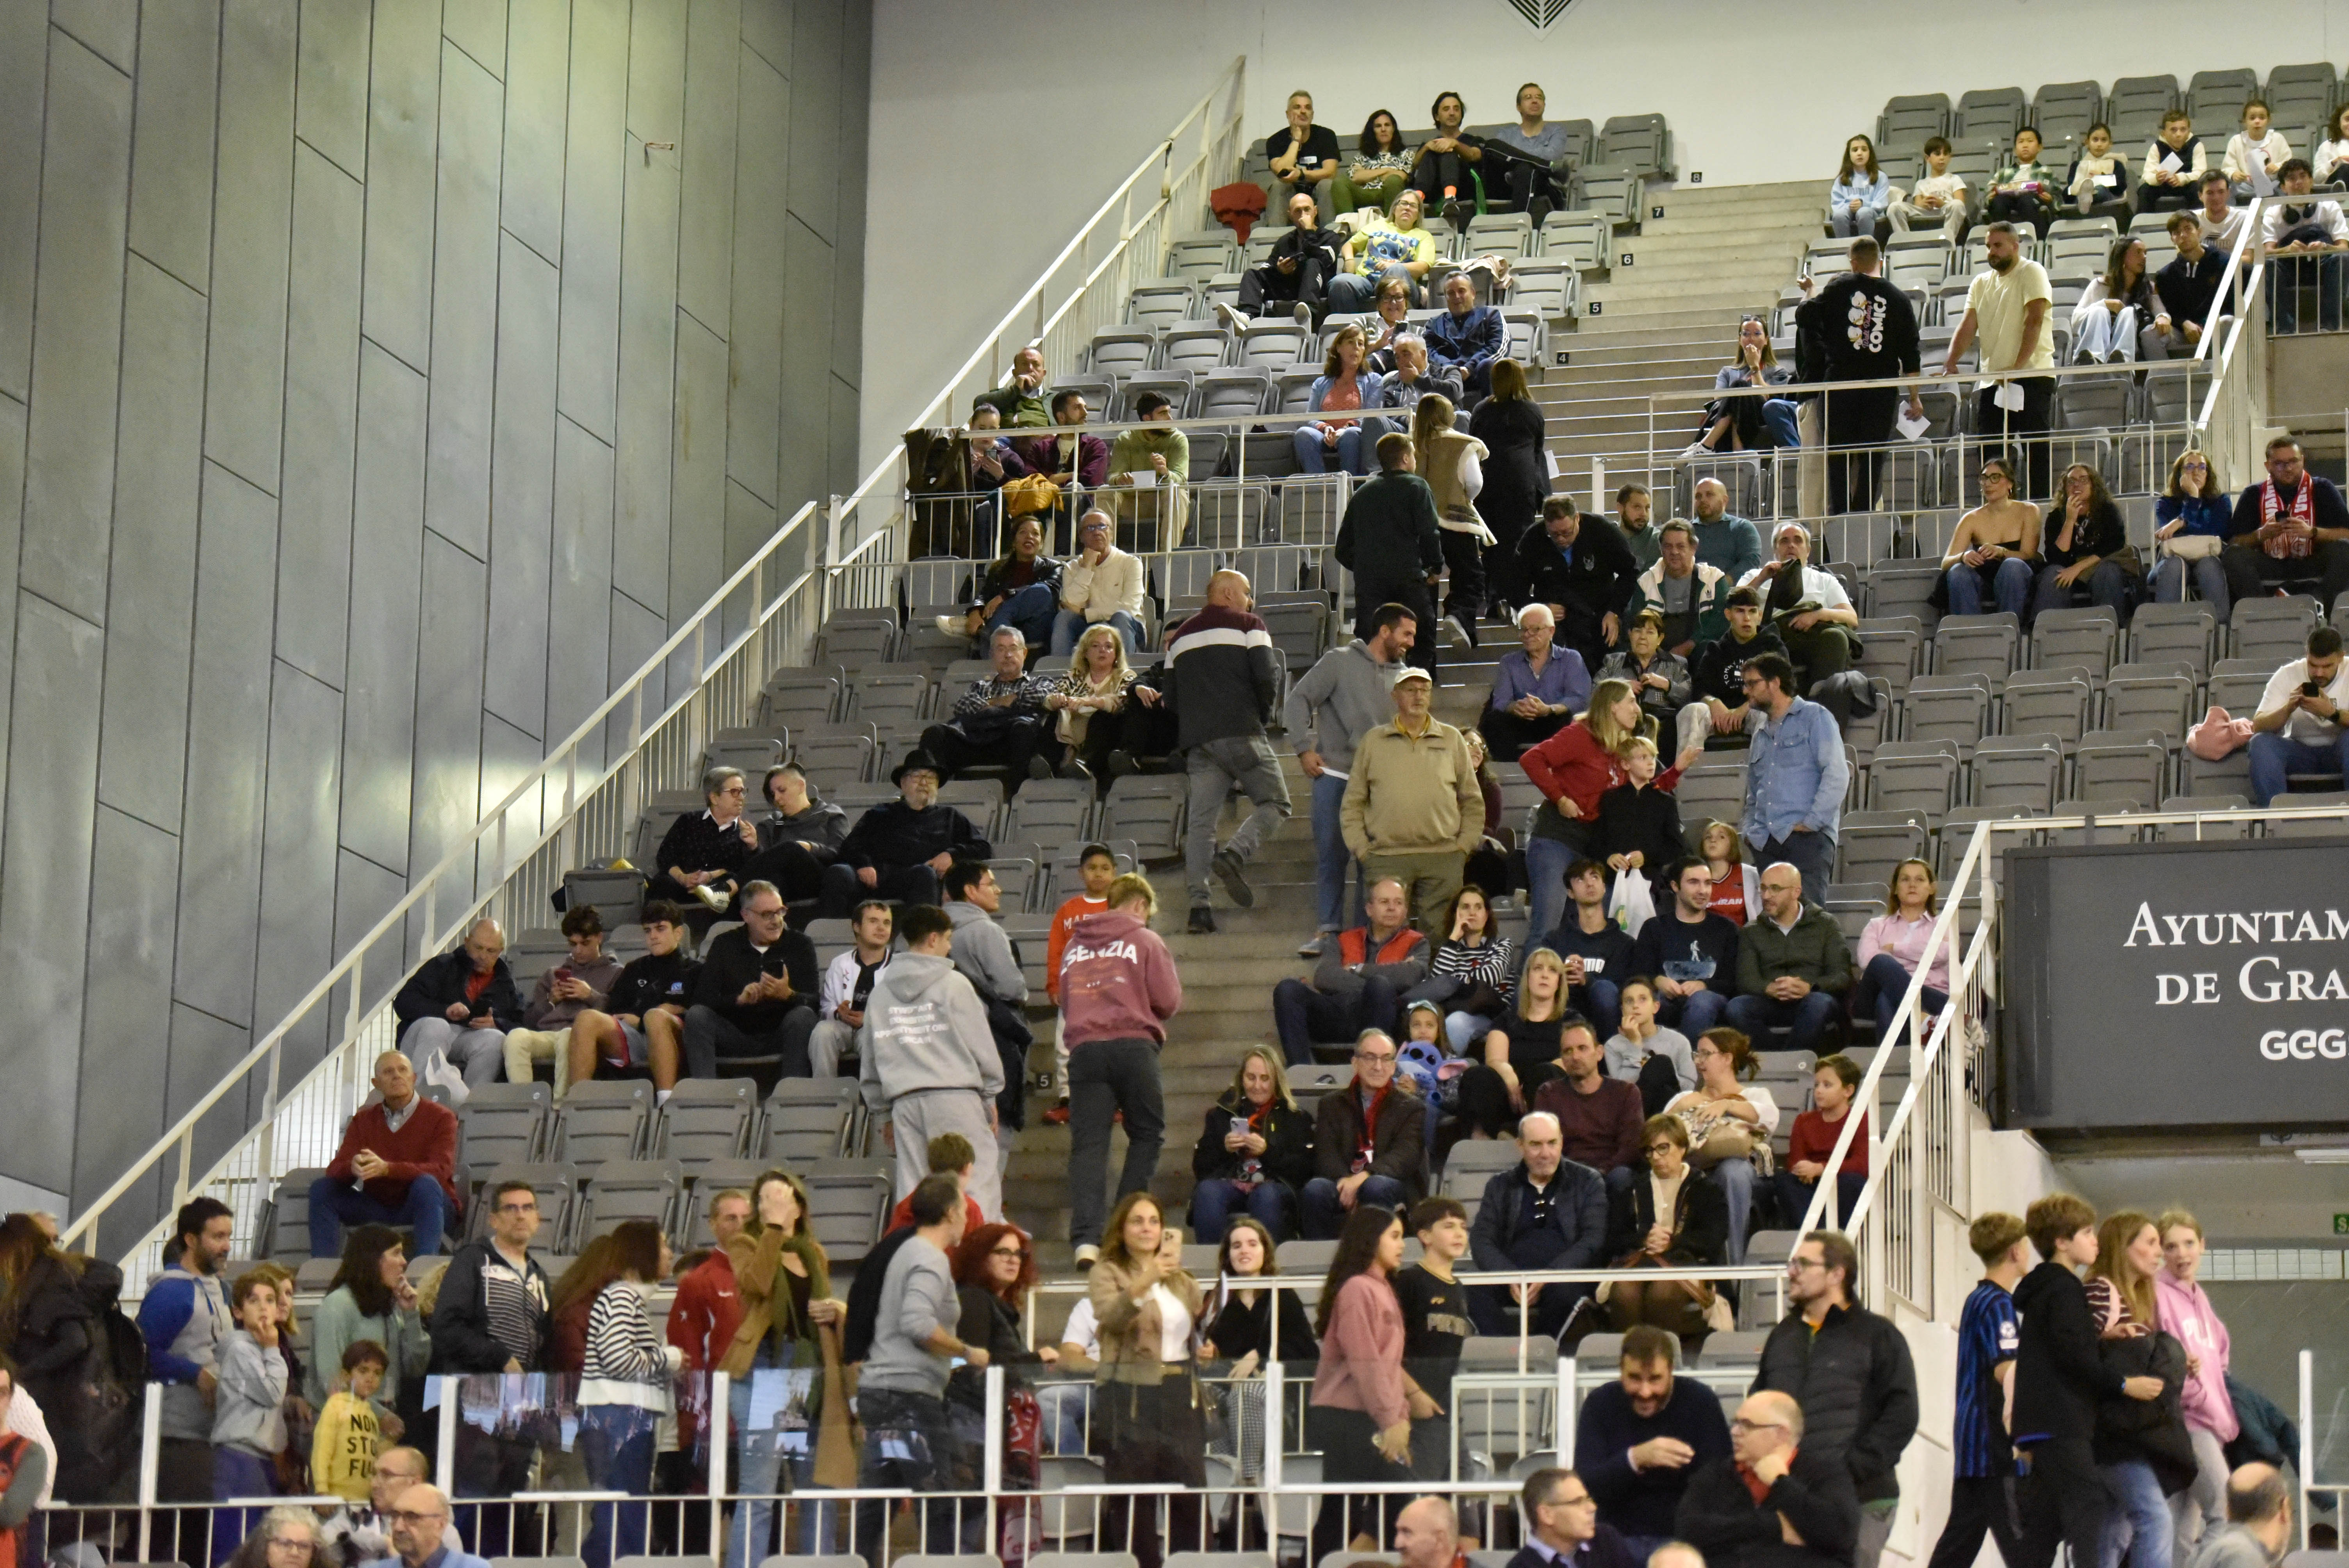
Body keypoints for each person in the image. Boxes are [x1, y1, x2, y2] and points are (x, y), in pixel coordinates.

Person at [2012, 1194, 2165, 1568]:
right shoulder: (2065, 1289)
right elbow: (2073, 1357)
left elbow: (2066, 1346)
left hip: (2042, 1420)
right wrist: (2125, 1385)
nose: (2095, 1240)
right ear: (2062, 1242)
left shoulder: (2048, 1289)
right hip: (2061, 1419)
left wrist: (2101, 1339)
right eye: (2085, 1232)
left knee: (2047, 1522)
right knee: (2089, 1503)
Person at [1752, 1230, 1917, 1568]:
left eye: (1803, 1264)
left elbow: (1902, 1413)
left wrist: (1850, 1470)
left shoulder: (1878, 1335)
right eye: (1792, 1264)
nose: (1792, 1272)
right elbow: (1760, 1404)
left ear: (1837, 1274)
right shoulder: (1782, 1336)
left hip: (1861, 1499)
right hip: (1791, 1497)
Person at [722, 1169, 846, 1566]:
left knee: (817, 1487)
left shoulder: (814, 1252)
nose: (770, 1204)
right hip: (768, 1368)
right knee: (759, 1490)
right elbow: (756, 1284)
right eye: (763, 1198)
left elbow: (823, 1312)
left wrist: (839, 1309)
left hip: (811, 1369)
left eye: (780, 1197)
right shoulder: (747, 1242)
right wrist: (773, 1227)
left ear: (799, 1204)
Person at [1061, 872, 1183, 1264]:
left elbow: (1064, 1000)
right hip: (1134, 1046)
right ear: (1140, 905)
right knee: (1147, 1133)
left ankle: (1085, 1239)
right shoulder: (1146, 939)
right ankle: (1121, 1228)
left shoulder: (1072, 947)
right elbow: (1168, 1000)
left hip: (1085, 1051)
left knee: (1089, 1146)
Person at [854, 1174, 975, 1566]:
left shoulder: (903, 1250)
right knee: (938, 1499)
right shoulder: (930, 1256)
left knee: (877, 1503)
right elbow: (918, 1323)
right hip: (911, 1395)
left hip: (879, 1391)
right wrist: (966, 1351)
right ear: (952, 1212)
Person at [859, 902, 1003, 1221]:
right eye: (949, 939)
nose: (951, 948)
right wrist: (990, 1094)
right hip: (955, 1097)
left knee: (916, 1194)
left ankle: (920, 1261)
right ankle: (978, 1261)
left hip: (905, 1104)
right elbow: (981, 1046)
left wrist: (883, 1113)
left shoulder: (880, 994)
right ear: (934, 939)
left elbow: (869, 1063)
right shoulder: (955, 985)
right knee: (974, 1185)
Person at [1165, 570, 1291, 933]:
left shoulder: (1180, 637)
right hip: (1241, 732)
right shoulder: (1251, 624)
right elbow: (1268, 677)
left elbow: (1171, 699)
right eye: (1247, 593)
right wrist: (1261, 718)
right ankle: (1235, 855)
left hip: (1199, 744)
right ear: (1228, 592)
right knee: (1277, 803)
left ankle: (1199, 910)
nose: (1250, 601)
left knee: (1201, 826)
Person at [1087, 1192, 1207, 1568]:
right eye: (1137, 1221)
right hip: (1130, 1394)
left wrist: (1208, 1346)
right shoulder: (1107, 1271)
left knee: (1190, 1493)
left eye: (1154, 1221)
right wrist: (1147, 1279)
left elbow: (1195, 1328)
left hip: (1178, 1390)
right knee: (1134, 1499)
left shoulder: (1182, 1281)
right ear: (1121, 1229)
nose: (1147, 1228)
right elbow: (1112, 1318)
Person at [1289, 604, 1417, 955]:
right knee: (1332, 855)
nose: (1410, 642)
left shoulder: (1407, 679)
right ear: (1385, 631)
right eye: (1406, 634)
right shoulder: (1339, 661)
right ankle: (1328, 932)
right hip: (1335, 774)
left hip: (1380, 786)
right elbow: (1298, 698)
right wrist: (1303, 748)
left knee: (1371, 863)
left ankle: (1365, 939)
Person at [428, 1178, 550, 1544]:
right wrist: (501, 1358)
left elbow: (544, 1346)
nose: (520, 1216)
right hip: (474, 1404)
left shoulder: (539, 1277)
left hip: (518, 1411)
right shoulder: (472, 1260)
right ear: (494, 1220)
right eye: (511, 1208)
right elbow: (446, 1327)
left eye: (528, 1208)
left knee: (505, 1504)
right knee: (472, 1497)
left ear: (539, 1219)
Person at [1307, 1205, 1415, 1561]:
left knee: (1360, 1509)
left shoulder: (1381, 1288)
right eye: (1395, 1237)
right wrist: (1391, 1419)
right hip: (1348, 1417)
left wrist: (1399, 1415)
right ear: (1372, 1240)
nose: (1402, 1245)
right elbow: (1365, 1362)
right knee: (1347, 1510)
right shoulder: (1357, 1289)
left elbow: (1388, 1365)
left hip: (1371, 1414)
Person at [570, 1222, 680, 1568]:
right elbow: (618, 1359)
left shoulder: (622, 1297)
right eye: (663, 1246)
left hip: (619, 1416)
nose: (670, 1253)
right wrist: (669, 1358)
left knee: (621, 1511)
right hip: (618, 1417)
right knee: (622, 1512)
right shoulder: (622, 1296)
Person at [1925, 1212, 2030, 1568]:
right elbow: (2006, 1370)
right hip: (1991, 1442)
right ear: (2016, 1251)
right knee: (2022, 1544)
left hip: (1972, 1440)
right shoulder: (1999, 1305)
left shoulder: (1977, 1299)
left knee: (1959, 1543)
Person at [1343, 666, 1483, 932]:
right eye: (1410, 690)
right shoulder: (1373, 741)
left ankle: (1438, 976)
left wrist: (1463, 847)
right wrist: (1362, 850)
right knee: (1386, 936)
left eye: (1424, 690)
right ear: (1396, 695)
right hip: (1387, 856)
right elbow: (1353, 802)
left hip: (1444, 856)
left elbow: (1472, 800)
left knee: (1443, 936)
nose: (1418, 696)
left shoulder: (1453, 739)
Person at [1577, 1326, 1736, 1559]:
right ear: (1621, 1371)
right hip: (1615, 1540)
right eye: (1634, 1378)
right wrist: (1635, 1459)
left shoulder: (1701, 1402)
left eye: (1655, 1379)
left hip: (1682, 1541)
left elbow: (1722, 1483)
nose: (1645, 1392)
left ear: (1671, 1371)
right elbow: (1586, 1484)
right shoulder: (1600, 1404)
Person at [1794, 237, 1922, 517]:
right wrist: (1915, 397)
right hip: (1881, 391)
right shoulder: (1899, 299)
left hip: (1840, 386)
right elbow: (1911, 355)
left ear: (1852, 263)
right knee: (1872, 459)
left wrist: (1812, 296)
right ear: (1881, 261)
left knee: (1838, 458)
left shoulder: (1841, 288)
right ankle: (1865, 518)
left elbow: (1805, 316)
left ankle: (1840, 517)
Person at [1520, 681, 1656, 941]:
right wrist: (1559, 799)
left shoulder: (1622, 746)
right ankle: (1526, 982)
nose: (1637, 710)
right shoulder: (1579, 735)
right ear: (1612, 707)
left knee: (1592, 931)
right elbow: (1532, 759)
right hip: (1557, 839)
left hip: (1594, 846)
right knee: (1547, 929)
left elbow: (1650, 785)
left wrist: (1679, 769)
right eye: (1631, 701)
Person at [1675, 1390, 1859, 1568]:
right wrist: (1775, 1527)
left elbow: (1841, 1535)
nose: (1735, 1432)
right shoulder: (1716, 1474)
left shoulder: (1826, 1473)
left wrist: (1781, 1483)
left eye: (1747, 1425)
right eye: (1735, 1423)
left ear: (1781, 1434)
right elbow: (1688, 1531)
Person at [1465, 1108, 1607, 1337]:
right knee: (1466, 1292)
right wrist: (1509, 1276)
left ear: (1562, 1142)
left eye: (1552, 1143)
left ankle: (1542, 1354)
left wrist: (1550, 1275)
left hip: (1565, 1277)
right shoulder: (1500, 1186)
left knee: (1565, 1293)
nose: (1546, 1153)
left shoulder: (1588, 1181)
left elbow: (1593, 1240)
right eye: (1536, 1145)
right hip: (1511, 1279)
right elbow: (1481, 1240)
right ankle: (1508, 1351)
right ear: (1520, 1146)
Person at [1942, 222, 2056, 497]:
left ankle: (2039, 512)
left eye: (1998, 245)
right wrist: (1951, 361)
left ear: (2015, 246)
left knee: (2036, 452)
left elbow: (2035, 319)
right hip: (1992, 381)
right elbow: (1968, 325)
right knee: (1992, 456)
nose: (1992, 251)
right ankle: (1999, 517)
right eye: (1989, 246)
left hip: (2032, 377)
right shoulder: (1980, 283)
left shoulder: (2032, 271)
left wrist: (2017, 368)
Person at [311, 1052, 459, 1258]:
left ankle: (424, 1269)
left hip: (428, 1205)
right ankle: (322, 1271)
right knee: (322, 1189)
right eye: (388, 1072)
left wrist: (388, 1169)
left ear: (414, 1078)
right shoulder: (363, 1121)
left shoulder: (441, 1117)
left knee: (426, 1184)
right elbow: (335, 1169)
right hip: (378, 1208)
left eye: (403, 1070)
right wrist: (352, 1167)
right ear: (376, 1083)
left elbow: (441, 1171)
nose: (397, 1076)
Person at [1274, 877, 1428, 1067]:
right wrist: (1389, 975)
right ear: (1369, 909)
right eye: (1384, 902)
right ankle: (1300, 1070)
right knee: (1288, 988)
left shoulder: (1417, 942)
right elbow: (1325, 977)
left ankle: (1374, 1066)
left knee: (1379, 987)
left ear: (1405, 911)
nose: (1392, 908)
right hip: (1335, 1013)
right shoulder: (1343, 939)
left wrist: (1357, 969)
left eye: (1398, 903)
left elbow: (1410, 976)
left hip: (1381, 1017)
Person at [2157, 1211, 2237, 1563]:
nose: (2181, 1253)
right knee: (2226, 1513)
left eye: (2189, 1243)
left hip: (2207, 1424)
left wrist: (2216, 1400)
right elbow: (2163, 1362)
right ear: (2161, 1252)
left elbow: (2220, 1356)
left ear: (2203, 1246)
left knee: (2180, 1530)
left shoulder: (2199, 1298)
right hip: (2188, 1423)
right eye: (2171, 1246)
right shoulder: (2159, 1295)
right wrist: (2202, 1399)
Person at [1602, 1116, 1730, 1336]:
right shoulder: (1632, 1188)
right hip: (1639, 1260)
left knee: (1662, 1295)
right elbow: (1614, 1237)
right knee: (1624, 1294)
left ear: (1682, 1147)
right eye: (1650, 1151)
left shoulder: (1707, 1189)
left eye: (1663, 1148)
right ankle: (1631, 1360)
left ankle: (1664, 1361)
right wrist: (1645, 1240)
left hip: (1685, 1262)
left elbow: (1713, 1238)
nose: (1657, 1157)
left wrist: (1673, 1242)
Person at [822, 750, 989, 916]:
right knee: (839, 873)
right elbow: (850, 845)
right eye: (917, 777)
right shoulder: (880, 813)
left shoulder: (950, 817)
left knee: (924, 875)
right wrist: (863, 864)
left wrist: (951, 854)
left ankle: (920, 938)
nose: (924, 783)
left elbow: (982, 847)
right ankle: (831, 939)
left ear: (937, 785)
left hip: (916, 879)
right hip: (874, 878)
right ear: (903, 783)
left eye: (930, 778)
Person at [1662, 1030, 1779, 1263]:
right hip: (1694, 1173)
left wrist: (1726, 1104)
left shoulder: (1754, 1095)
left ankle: (1732, 1267)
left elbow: (1770, 1119)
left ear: (1728, 1058)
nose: (1699, 1061)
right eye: (1698, 1054)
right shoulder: (1686, 1097)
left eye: (1707, 1054)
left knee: (1733, 1170)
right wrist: (1683, 1106)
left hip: (1744, 1177)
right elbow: (1658, 1137)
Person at [681, 880, 817, 1082]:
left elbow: (816, 1002)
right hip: (735, 1034)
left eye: (780, 912)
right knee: (697, 1016)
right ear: (746, 916)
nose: (776, 920)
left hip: (782, 1035)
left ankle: (793, 1093)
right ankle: (706, 1095)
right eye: (767, 914)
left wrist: (788, 995)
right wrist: (739, 1000)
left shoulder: (800, 945)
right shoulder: (725, 944)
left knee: (803, 1016)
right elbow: (702, 1000)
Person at [1737, 658, 1848, 905]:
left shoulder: (1815, 716)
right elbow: (1754, 793)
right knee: (1774, 928)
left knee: (1807, 921)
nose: (1746, 691)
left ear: (1775, 683)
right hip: (1766, 842)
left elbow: (1837, 774)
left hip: (1807, 841)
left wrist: (1813, 822)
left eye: (1752, 684)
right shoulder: (1760, 731)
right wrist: (1751, 831)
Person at [1302, 1027, 1426, 1241]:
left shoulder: (1411, 1107)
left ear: (1393, 1067)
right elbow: (1325, 1153)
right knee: (1316, 1189)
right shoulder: (1331, 1104)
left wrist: (1362, 1178)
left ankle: (1376, 1259)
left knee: (1375, 1186)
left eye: (1386, 1059)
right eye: (1370, 1058)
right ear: (1355, 1063)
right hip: (1342, 1179)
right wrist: (1345, 1182)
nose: (1378, 1066)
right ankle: (1324, 1263)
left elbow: (1406, 1156)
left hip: (1389, 1183)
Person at [308, 1227, 428, 1441]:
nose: (404, 1262)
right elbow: (332, 1381)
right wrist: (379, 1415)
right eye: (396, 1253)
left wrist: (411, 1315)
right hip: (343, 1428)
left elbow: (416, 1367)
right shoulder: (338, 1305)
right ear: (373, 1260)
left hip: (382, 1423)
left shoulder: (392, 1309)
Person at [1337, 434, 1444, 668]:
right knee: (1420, 635)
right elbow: (1430, 533)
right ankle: (1420, 686)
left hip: (1370, 583)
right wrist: (1435, 567)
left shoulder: (1362, 494)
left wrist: (1367, 566)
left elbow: (1342, 549)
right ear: (1406, 458)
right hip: (1409, 577)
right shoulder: (1417, 487)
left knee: (1370, 641)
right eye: (1413, 455)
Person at [1190, 1046, 1315, 1243]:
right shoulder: (1221, 1114)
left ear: (1276, 1081)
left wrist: (1267, 1152)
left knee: (1265, 1195)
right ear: (1242, 1079)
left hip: (1275, 1185)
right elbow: (1201, 1169)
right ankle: (1214, 1264)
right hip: (1231, 1182)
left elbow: (1303, 1170)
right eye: (1251, 1078)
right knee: (1208, 1191)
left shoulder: (1294, 1117)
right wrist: (1225, 1149)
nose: (1257, 1086)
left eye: (1265, 1079)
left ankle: (1268, 1268)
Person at [665, 1187, 745, 1491]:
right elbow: (688, 1355)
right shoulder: (700, 1281)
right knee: (703, 1519)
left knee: (763, 1515)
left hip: (763, 1418)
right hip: (717, 1423)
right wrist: (699, 1420)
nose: (739, 1225)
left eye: (746, 1218)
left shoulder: (772, 1275)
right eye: (731, 1218)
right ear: (713, 1224)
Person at [1727, 861, 1852, 1053]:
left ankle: (1791, 1061)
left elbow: (1842, 976)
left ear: (1796, 892)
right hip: (1771, 1002)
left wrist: (1809, 987)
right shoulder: (1752, 931)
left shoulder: (1825, 924)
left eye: (1775, 889)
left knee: (1820, 1003)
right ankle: (1779, 1060)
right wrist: (1769, 989)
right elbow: (1746, 980)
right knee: (1736, 1008)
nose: (1767, 896)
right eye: (1763, 888)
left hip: (1812, 1000)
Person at [1453, 948, 1577, 1137]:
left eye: (1552, 970)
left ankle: (1536, 1137)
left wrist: (1529, 1086)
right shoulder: (1506, 1020)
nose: (1544, 975)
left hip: (1548, 1099)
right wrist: (1510, 1078)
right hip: (1511, 1099)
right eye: (1538, 969)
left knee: (1545, 1075)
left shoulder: (1572, 1020)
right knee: (1477, 1074)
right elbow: (1495, 1060)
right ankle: (1482, 1140)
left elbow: (1573, 1059)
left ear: (1560, 982)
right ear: (1527, 978)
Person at [500, 906, 624, 1096]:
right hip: (549, 1034)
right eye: (573, 944)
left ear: (599, 938)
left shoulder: (616, 973)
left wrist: (590, 995)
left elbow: (619, 1016)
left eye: (585, 943)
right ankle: (523, 1103)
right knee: (516, 1036)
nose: (578, 950)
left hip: (584, 1038)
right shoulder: (552, 975)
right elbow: (529, 1020)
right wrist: (551, 1000)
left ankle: (561, 1106)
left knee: (569, 1036)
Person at [1393, 1198, 1474, 1484]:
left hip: (1448, 1405)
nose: (1459, 1234)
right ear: (1425, 1236)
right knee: (1419, 1494)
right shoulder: (1410, 1281)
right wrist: (1412, 1394)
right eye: (1449, 1226)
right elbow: (1388, 1348)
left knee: (1464, 1491)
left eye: (1463, 1227)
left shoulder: (1459, 1288)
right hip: (1417, 1406)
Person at [1517, 495, 1641, 679]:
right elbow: (1514, 587)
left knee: (1603, 666)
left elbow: (1629, 572)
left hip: (1599, 614)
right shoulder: (1533, 539)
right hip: (1555, 619)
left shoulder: (1603, 531)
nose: (1561, 539)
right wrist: (1541, 609)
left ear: (1577, 519)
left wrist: (1614, 612)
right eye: (1554, 534)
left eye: (1567, 533)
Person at [392, 918, 521, 1094]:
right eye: (478, 948)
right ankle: (418, 1100)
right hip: (425, 1034)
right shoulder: (442, 966)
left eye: (491, 951)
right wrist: (444, 1011)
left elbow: (521, 1021)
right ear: (466, 942)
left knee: (495, 1038)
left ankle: (468, 1105)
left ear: (500, 952)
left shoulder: (506, 983)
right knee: (438, 1025)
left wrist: (496, 1023)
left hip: (465, 1037)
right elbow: (404, 1002)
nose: (483, 956)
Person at [2226, 436, 2349, 615]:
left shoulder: (2323, 488)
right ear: (2268, 466)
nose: (2289, 468)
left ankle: (2329, 615)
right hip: (2270, 564)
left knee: (2344, 549)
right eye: (2280, 464)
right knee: (2233, 556)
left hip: (2312, 561)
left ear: (2303, 461)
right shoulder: (2254, 493)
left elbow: (2346, 532)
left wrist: (2312, 532)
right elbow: (2233, 541)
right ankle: (2262, 614)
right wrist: (2261, 535)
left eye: (2294, 461)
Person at [921, 625, 1058, 785]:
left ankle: (1017, 797)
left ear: (1025, 653)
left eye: (1013, 649)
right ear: (992, 655)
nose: (1008, 655)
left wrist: (991, 703)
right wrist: (1012, 702)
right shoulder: (980, 686)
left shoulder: (1041, 682)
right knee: (935, 733)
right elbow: (963, 707)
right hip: (977, 741)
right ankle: (930, 798)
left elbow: (1040, 696)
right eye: (1001, 649)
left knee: (1023, 728)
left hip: (1011, 742)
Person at [1534, 1013, 1650, 1191]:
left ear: (1599, 1053)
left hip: (1612, 1175)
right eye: (1568, 1051)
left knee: (1623, 1177)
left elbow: (1631, 1148)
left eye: (1583, 1048)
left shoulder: (1626, 1093)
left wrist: (1600, 1173)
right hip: (1567, 1176)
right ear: (1562, 1059)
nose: (1576, 1057)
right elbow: (1545, 1145)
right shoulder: (1549, 1094)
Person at [1632, 857, 1741, 1045]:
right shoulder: (1654, 928)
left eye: (1708, 883)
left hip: (1709, 1003)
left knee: (1701, 1001)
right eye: (1693, 883)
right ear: (1675, 886)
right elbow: (1638, 974)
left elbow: (1734, 981)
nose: (1703, 891)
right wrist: (1657, 980)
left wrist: (1705, 986)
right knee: (1646, 1003)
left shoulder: (1727, 929)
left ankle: (1689, 1065)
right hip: (1664, 1001)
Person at [1042, 845, 1116, 1120]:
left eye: (1105, 868)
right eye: (1092, 868)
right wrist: (1054, 984)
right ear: (1081, 873)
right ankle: (1067, 1098)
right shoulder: (1067, 911)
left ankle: (1113, 1101)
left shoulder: (1118, 906)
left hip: (1111, 989)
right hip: (1074, 989)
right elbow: (1056, 951)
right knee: (1066, 1043)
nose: (1099, 874)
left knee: (1109, 1042)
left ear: (1115, 873)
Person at [1739, 522, 1859, 690]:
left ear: (1808, 551)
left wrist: (1818, 615)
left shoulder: (1824, 580)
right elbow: (1733, 605)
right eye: (1784, 541)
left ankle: (1820, 705)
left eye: (1798, 541)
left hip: (1811, 638)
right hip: (1769, 636)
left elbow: (1851, 618)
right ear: (1775, 550)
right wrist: (1761, 579)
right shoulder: (1755, 575)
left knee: (1836, 637)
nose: (1791, 545)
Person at [1414, 390, 1494, 638]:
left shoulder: (1411, 445)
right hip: (1456, 521)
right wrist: (1464, 499)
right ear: (1448, 416)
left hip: (1419, 528)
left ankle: (1427, 654)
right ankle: (1458, 615)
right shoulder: (1463, 443)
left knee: (1427, 587)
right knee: (1471, 575)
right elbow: (1475, 484)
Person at [1472, 357, 1552, 592]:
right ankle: (1516, 596)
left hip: (1489, 485)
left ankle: (1492, 597)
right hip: (1522, 484)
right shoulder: (1532, 410)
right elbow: (1538, 449)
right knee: (1518, 543)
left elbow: (1475, 448)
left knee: (1491, 543)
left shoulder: (1481, 410)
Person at [1543, 861, 1641, 1042]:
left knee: (1605, 990)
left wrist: (1586, 980)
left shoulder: (1624, 943)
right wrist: (1560, 976)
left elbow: (1622, 991)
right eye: (1580, 879)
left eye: (1595, 877)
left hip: (1608, 1020)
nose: (1589, 884)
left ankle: (1611, 1057)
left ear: (1604, 888)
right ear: (1570, 893)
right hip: (1563, 1015)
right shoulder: (1554, 941)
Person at [1854, 858, 1949, 1042]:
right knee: (1881, 963)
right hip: (1871, 1002)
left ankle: (1894, 1067)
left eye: (1920, 880)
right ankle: (1924, 1018)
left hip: (1931, 994)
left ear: (1932, 888)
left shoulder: (1943, 924)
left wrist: (1895, 949)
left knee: (1887, 998)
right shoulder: (1877, 925)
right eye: (1905, 880)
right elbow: (1868, 960)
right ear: (1896, 889)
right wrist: (1912, 959)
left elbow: (1942, 953)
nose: (1912, 885)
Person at [2035, 460, 2143, 620]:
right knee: (2053, 573)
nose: (2077, 485)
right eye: (2071, 481)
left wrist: (2077, 568)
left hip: (2099, 566)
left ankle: (2110, 626)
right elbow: (2056, 558)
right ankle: (2047, 628)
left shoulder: (2108, 511)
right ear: (2065, 487)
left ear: (2093, 485)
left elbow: (2113, 546)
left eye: (2083, 480)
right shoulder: (2056, 516)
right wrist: (2070, 520)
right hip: (2068, 570)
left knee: (2108, 571)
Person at [647, 768, 759, 919]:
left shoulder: (746, 832)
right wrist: (683, 878)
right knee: (661, 883)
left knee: (736, 884)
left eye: (742, 791)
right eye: (734, 792)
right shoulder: (689, 821)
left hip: (720, 893)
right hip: (683, 889)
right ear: (714, 798)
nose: (741, 798)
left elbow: (747, 871)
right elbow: (665, 856)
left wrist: (753, 846)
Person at [1483, 604, 1590, 762]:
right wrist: (1517, 707)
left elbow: (1580, 699)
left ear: (1551, 631)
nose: (1528, 635)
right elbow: (1501, 701)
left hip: (1555, 719)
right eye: (1524, 630)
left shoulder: (1571, 659)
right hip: (1522, 721)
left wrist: (1549, 709)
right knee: (1493, 721)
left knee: (1570, 721)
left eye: (1535, 629)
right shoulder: (1509, 662)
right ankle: (1514, 766)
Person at [1773, 1056, 1868, 1232]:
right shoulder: (1804, 1121)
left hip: (1842, 1180)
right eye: (1817, 1085)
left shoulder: (1861, 1119)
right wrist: (1804, 1169)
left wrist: (1822, 1169)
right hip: (1811, 1182)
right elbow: (1795, 1161)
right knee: (1785, 1181)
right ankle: (1813, 1233)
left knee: (1853, 1182)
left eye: (1827, 1085)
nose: (1819, 1091)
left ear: (1848, 1091)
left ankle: (1829, 1234)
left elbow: (1861, 1165)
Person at [1941, 455, 2043, 617]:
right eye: (1984, 478)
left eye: (1995, 478)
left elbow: (2029, 555)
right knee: (1958, 572)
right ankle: (1968, 632)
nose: (1988, 484)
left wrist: (2002, 552)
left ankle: (2008, 628)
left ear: (2010, 483)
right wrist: (1963, 556)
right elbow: (1946, 563)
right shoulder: (1971, 518)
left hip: (2018, 576)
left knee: (2012, 566)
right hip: (1984, 578)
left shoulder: (2029, 511)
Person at [1688, 589, 1788, 751]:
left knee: (1765, 713)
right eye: (1740, 611)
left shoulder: (1773, 647)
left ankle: (1768, 773)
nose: (1747, 618)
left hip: (1754, 712)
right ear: (1728, 615)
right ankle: (1685, 773)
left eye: (1752, 612)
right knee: (1692, 711)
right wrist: (1713, 702)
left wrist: (1749, 706)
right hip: (1720, 717)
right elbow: (1699, 688)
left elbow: (1782, 687)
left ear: (1760, 615)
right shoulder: (1716, 650)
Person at [739, 761, 850, 906]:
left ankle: (731, 886)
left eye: (782, 790)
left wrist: (809, 847)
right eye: (773, 794)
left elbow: (840, 853)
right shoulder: (775, 823)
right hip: (784, 884)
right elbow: (762, 864)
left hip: (820, 879)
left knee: (791, 848)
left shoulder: (829, 814)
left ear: (801, 786)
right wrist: (754, 846)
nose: (777, 799)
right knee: (771, 881)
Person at [940, 513, 1059, 648]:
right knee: (997, 624)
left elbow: (1052, 591)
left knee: (1042, 591)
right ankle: (989, 631)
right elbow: (984, 595)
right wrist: (975, 611)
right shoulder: (999, 568)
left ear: (1042, 542)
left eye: (1035, 534)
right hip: (1005, 624)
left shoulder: (1053, 567)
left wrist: (1004, 597)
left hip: (1035, 627)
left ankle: (983, 631)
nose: (1029, 537)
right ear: (1014, 541)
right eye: (1023, 532)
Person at [1427, 884, 1518, 1054]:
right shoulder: (1450, 949)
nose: (1473, 912)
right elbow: (1438, 984)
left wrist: (1455, 982)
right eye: (1466, 907)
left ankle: (1449, 1072)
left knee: (1456, 1022)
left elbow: (1489, 977)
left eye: (1479, 907)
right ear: (1456, 914)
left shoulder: (1501, 945)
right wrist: (1454, 938)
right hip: (1456, 1012)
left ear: (1486, 915)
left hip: (1494, 1017)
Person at [1690, 318, 1800, 458]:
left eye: (1757, 334)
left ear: (1766, 340)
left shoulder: (1779, 371)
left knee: (1740, 386)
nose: (1751, 339)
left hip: (1759, 416)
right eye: (1746, 334)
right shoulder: (1727, 371)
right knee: (1739, 389)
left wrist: (1755, 367)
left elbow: (1767, 399)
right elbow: (1719, 400)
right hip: (1730, 414)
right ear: (1740, 339)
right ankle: (1739, 452)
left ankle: (1706, 445)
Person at [807, 899, 890, 1085]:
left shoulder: (898, 966)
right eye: (874, 921)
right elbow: (825, 1006)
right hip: (842, 1026)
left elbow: (900, 1012)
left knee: (875, 1037)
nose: (881, 928)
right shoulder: (840, 963)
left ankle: (875, 1103)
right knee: (822, 1032)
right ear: (857, 927)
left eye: (887, 923)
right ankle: (824, 1095)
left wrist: (869, 1019)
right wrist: (838, 1012)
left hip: (875, 1027)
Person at [1626, 524, 1731, 666]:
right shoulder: (1646, 582)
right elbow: (1636, 622)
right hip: (1655, 653)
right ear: (1661, 549)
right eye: (1668, 546)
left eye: (1681, 546)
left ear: (1693, 548)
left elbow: (1722, 621)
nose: (1674, 552)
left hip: (1700, 652)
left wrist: (1690, 644)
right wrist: (1659, 653)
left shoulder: (1714, 579)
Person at [1595, 736, 1685, 898]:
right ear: (1625, 764)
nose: (1651, 762)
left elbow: (1676, 846)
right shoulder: (1610, 799)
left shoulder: (1665, 801)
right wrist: (1609, 856)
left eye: (1653, 757)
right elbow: (1596, 840)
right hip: (1612, 883)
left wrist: (1647, 857)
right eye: (1643, 758)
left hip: (1649, 884)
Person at [1236, 189, 1341, 326]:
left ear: (1315, 211)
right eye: (1298, 211)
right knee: (1253, 274)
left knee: (1313, 263)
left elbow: (1324, 260)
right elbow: (1267, 267)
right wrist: (1279, 270)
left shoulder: (1330, 237)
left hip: (1318, 289)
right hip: (1290, 287)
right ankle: (1248, 315)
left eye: (1307, 210)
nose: (1303, 215)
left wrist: (1309, 231)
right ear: (1290, 215)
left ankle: (1307, 312)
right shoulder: (1285, 241)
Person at [1051, 508, 1147, 658]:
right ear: (1081, 537)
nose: (1097, 532)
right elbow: (1070, 603)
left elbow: (1129, 608)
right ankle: (1060, 676)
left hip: (1126, 626)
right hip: (1088, 628)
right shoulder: (1072, 567)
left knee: (1121, 616)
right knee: (1064, 618)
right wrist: (1087, 567)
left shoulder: (1131, 563)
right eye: (1090, 528)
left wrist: (1085, 613)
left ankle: (1124, 677)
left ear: (1112, 534)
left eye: (1102, 527)